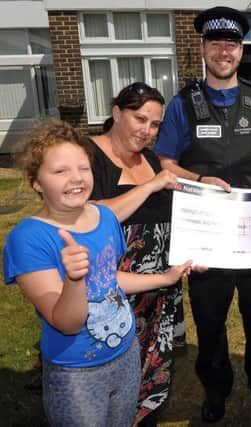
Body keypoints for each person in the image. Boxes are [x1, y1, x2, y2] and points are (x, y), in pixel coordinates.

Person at [153, 6, 251, 423]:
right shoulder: (183, 104)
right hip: (206, 232)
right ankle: (216, 386)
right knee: (211, 317)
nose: (223, 51)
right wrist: (198, 177)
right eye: (214, 43)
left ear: (240, 50)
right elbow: (165, 162)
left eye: (230, 44)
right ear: (202, 48)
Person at [2, 119, 192, 427]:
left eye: (83, 168)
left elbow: (109, 281)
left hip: (126, 354)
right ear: (35, 181)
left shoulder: (102, 217)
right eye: (60, 171)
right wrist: (74, 279)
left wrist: (165, 278)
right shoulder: (28, 239)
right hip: (76, 371)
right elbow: (66, 322)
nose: (76, 178)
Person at [85, 82, 185, 426]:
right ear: (116, 113)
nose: (147, 131)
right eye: (140, 119)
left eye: (155, 124)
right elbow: (89, 215)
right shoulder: (86, 156)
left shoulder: (153, 160)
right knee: (106, 370)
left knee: (150, 364)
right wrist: (149, 186)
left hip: (159, 286)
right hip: (109, 290)